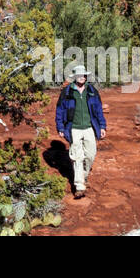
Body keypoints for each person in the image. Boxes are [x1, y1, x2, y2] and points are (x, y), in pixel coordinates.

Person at [54, 63, 106, 198]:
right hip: (74, 128)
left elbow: (99, 110)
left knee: (90, 155)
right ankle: (80, 186)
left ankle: (83, 175)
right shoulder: (67, 92)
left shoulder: (92, 91)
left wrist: (102, 126)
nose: (82, 77)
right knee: (77, 157)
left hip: (89, 127)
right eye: (79, 75)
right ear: (75, 77)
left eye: (83, 75)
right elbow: (60, 110)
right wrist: (60, 127)